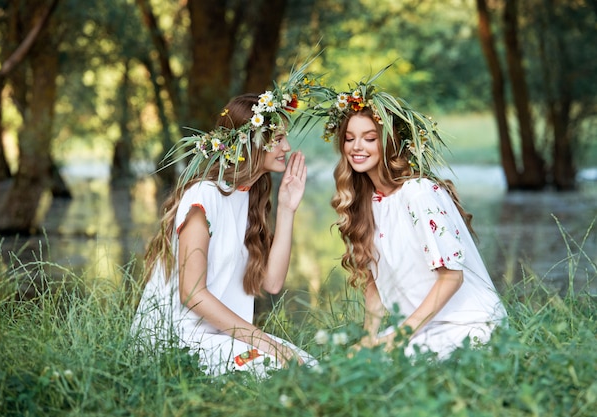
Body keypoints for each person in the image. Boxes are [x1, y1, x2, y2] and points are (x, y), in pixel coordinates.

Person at [131, 66, 327, 377]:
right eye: (277, 139)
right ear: (250, 141)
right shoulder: (204, 197)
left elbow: (272, 283)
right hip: (181, 340)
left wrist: (288, 208)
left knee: (313, 369)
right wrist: (266, 343)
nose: (286, 148)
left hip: (225, 336)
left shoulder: (249, 197)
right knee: (285, 371)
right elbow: (192, 294)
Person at [323, 67, 507, 359]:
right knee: (354, 363)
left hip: (467, 324)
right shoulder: (366, 203)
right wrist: (369, 338)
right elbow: (374, 284)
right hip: (419, 327)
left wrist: (399, 337)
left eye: (370, 138)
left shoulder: (419, 193)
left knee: (391, 366)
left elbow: (451, 278)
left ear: (389, 143)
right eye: (349, 138)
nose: (356, 147)